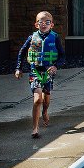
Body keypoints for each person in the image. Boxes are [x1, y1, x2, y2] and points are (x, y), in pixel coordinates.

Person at [14, 10, 65, 139]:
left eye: (47, 22)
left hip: (48, 71)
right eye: (40, 22)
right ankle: (35, 128)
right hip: (35, 70)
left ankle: (45, 111)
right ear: (36, 24)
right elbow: (22, 52)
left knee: (46, 98)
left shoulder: (55, 37)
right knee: (38, 99)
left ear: (51, 25)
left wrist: (55, 66)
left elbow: (62, 55)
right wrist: (18, 68)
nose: (44, 24)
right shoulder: (32, 38)